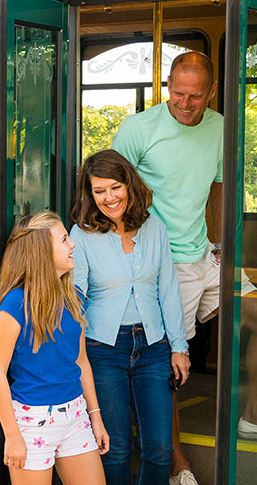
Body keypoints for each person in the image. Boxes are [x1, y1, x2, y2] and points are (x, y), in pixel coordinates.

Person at [109, 51, 222, 485]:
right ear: (167, 86)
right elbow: (111, 193)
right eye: (177, 93)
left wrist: (221, 246)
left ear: (210, 92)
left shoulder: (221, 128)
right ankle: (177, 462)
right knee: (169, 359)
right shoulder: (138, 129)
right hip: (163, 260)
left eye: (195, 96)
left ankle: (253, 420)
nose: (185, 103)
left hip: (204, 254)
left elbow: (217, 190)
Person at [69, 150, 189, 485]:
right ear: (90, 195)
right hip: (103, 349)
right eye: (99, 191)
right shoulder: (81, 235)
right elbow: (76, 297)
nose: (108, 198)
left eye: (115, 187)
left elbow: (167, 290)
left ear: (129, 185)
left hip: (153, 347)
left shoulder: (155, 228)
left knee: (160, 449)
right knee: (116, 448)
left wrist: (179, 347)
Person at [0, 211, 109, 485]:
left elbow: (81, 363)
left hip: (76, 416)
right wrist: (13, 435)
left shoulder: (74, 297)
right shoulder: (15, 304)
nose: (72, 244)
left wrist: (95, 418)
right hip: (32, 422)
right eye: (64, 239)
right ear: (42, 252)